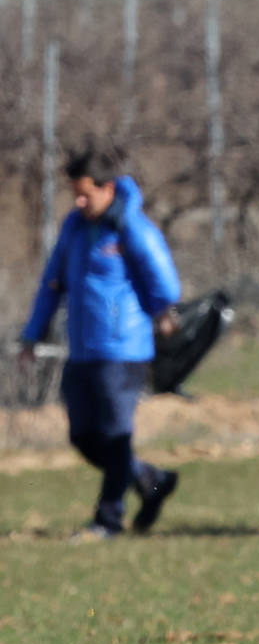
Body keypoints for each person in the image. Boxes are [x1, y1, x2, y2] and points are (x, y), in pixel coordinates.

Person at [17, 142, 182, 539]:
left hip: (123, 348)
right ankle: (151, 480)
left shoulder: (131, 227)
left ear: (107, 188)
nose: (78, 200)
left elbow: (164, 278)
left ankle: (107, 521)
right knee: (83, 436)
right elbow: (52, 284)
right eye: (74, 192)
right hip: (83, 348)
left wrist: (162, 311)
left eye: (85, 193)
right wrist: (33, 334)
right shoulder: (74, 227)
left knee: (116, 432)